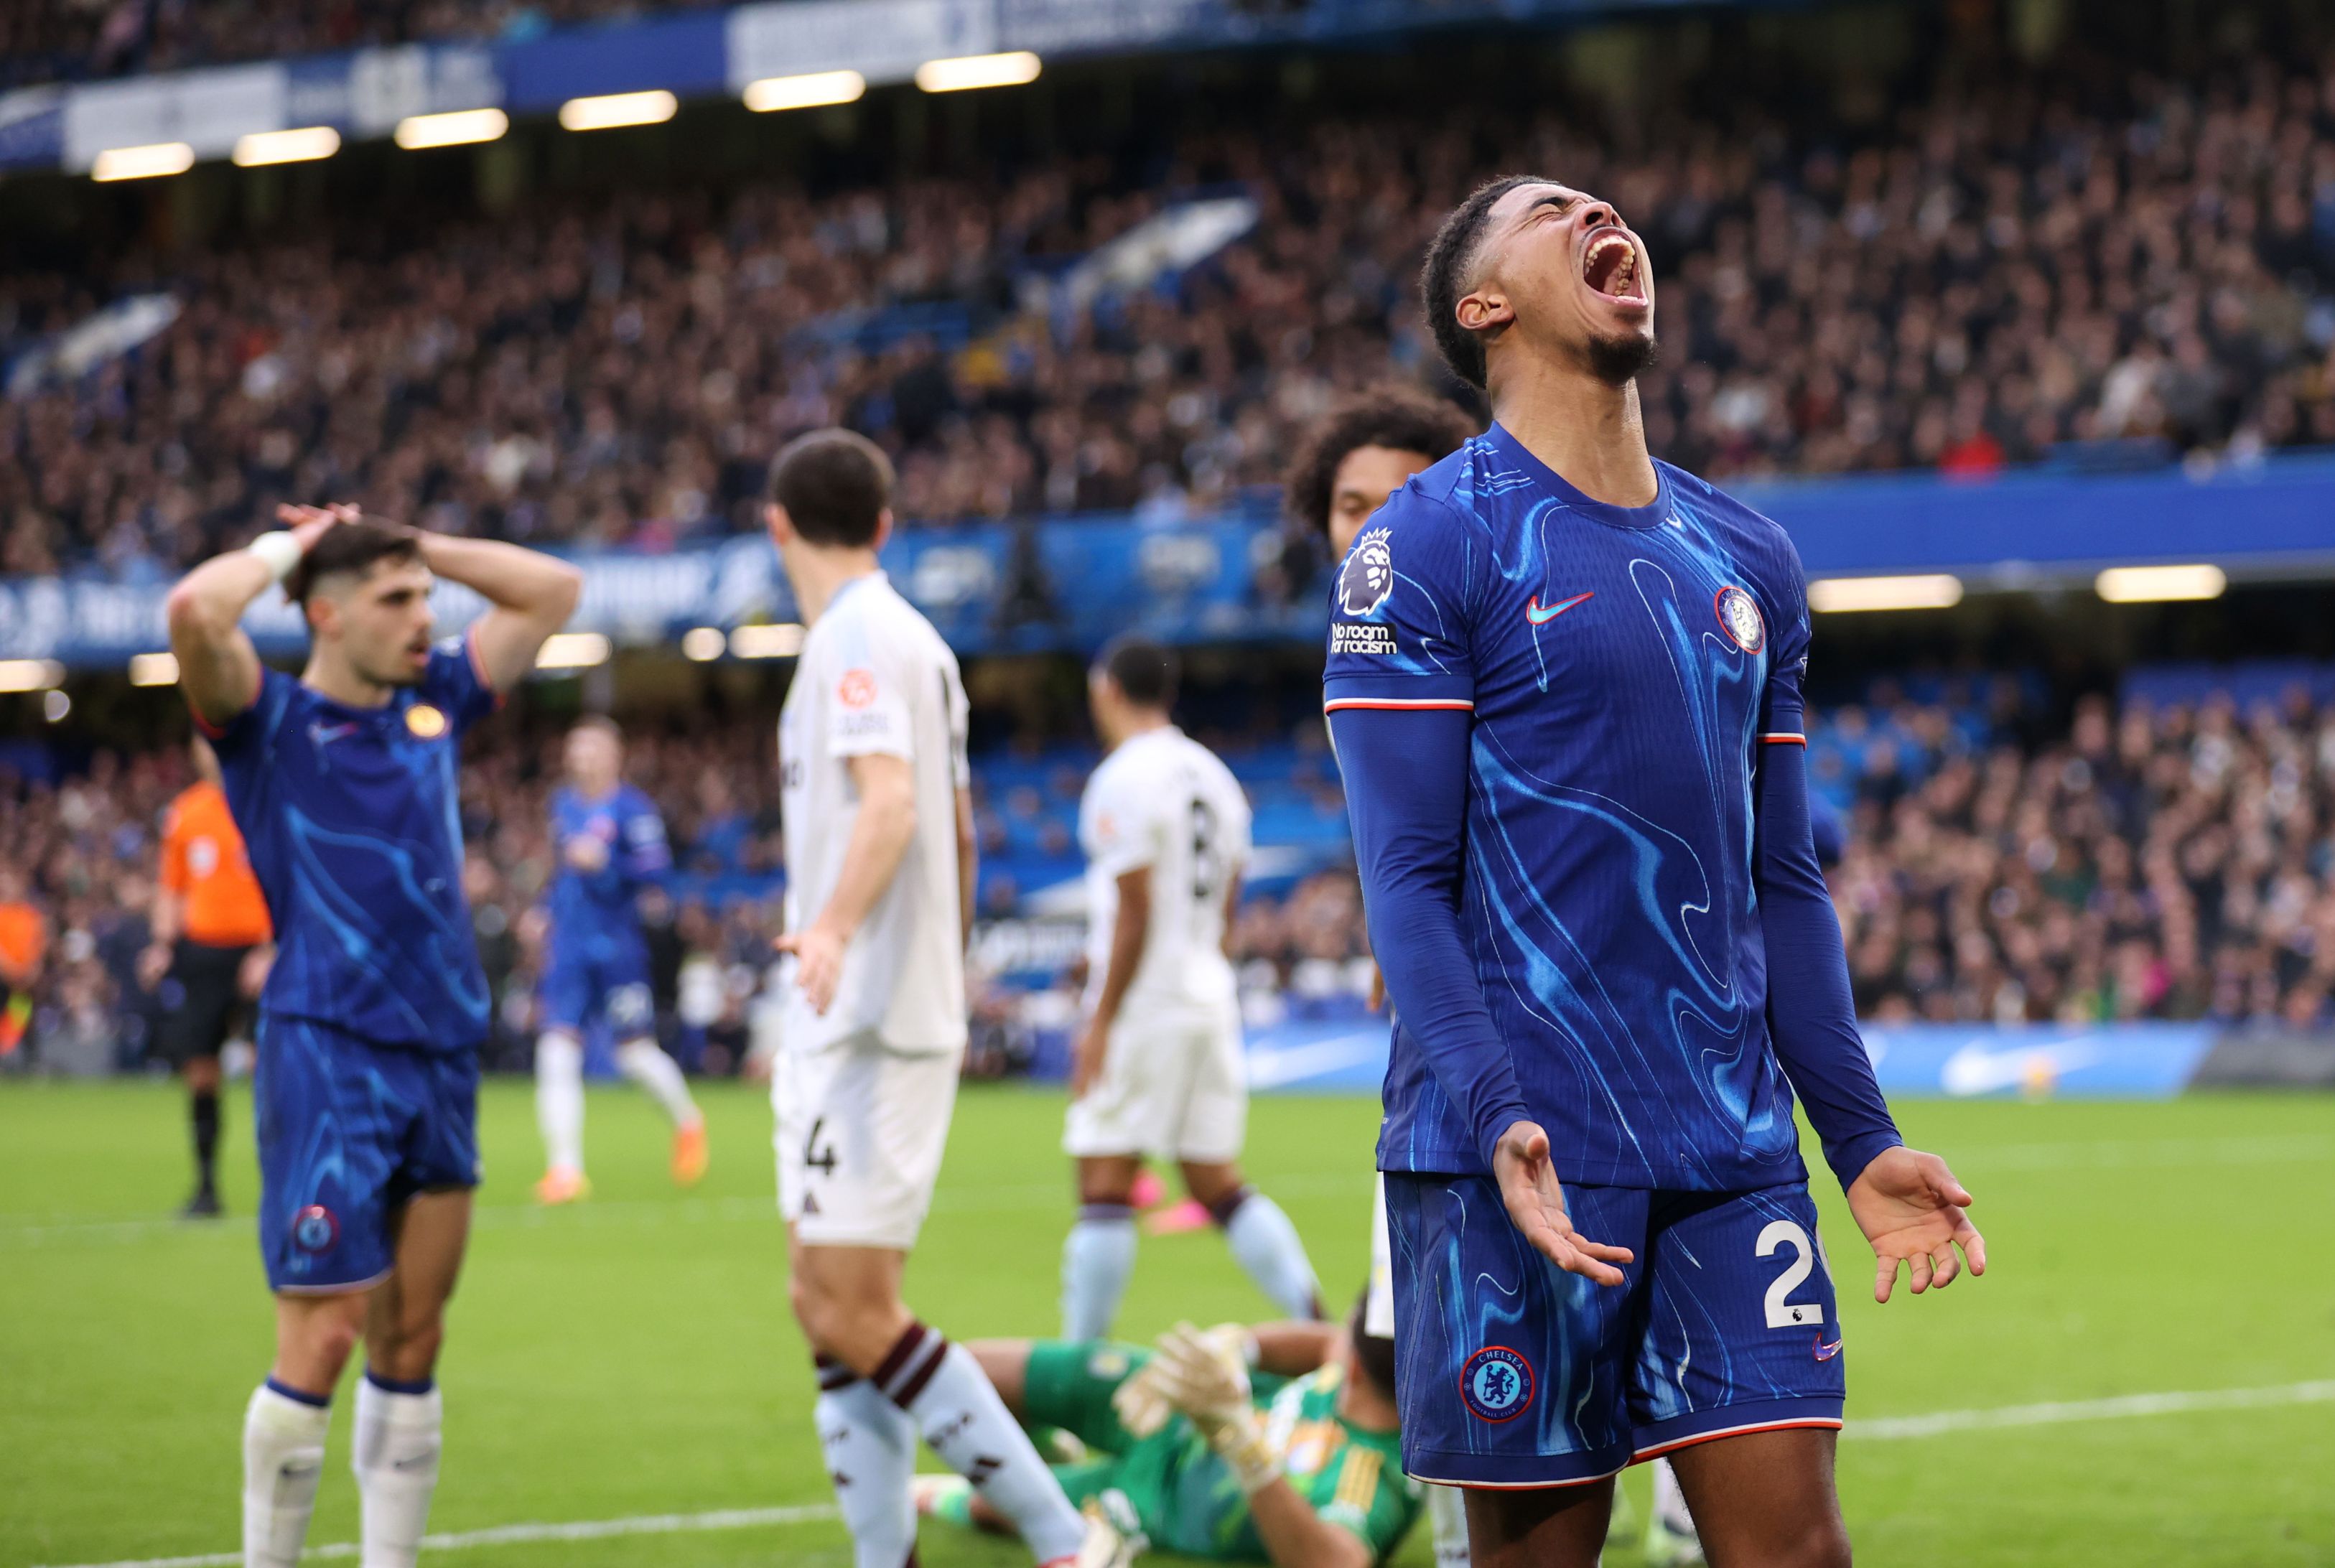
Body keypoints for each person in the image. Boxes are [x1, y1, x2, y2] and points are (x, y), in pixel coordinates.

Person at [1325, 177, 1986, 1566]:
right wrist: (1493, 1105)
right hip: (1516, 1156)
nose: (1599, 212)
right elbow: (1402, 877)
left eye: (1603, 203)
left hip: (1728, 1147)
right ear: (1483, 304)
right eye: (1552, 209)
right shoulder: (1425, 545)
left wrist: (1857, 1138)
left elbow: (1784, 881)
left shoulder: (1746, 553)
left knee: (1796, 1549)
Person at [167, 503, 580, 1568]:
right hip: (326, 1051)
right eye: (397, 600)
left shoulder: (436, 695)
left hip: (441, 1051)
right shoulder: (267, 723)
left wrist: (413, 545)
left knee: (415, 1337)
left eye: (426, 600)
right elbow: (194, 609)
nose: (424, 618)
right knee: (325, 1335)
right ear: (327, 614)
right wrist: (286, 549)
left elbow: (553, 591)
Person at [766, 429, 1127, 1568]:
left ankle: (1068, 1541)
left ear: (777, 526)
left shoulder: (857, 637)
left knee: (853, 1307)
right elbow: (957, 824)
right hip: (875, 1009)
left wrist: (831, 931)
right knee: (824, 1306)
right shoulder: (909, 639)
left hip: (864, 1016)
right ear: (884, 523)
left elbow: (894, 806)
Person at [1063, 636, 1323, 1340]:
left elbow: (1136, 909)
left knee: (1103, 1183)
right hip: (1208, 990)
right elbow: (1228, 899)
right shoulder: (1215, 775)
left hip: (1148, 1001)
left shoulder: (1120, 778)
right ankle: (1320, 1327)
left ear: (1107, 690)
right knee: (1215, 1181)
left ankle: (1080, 1367)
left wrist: (1100, 1020)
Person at [919, 1302, 1422, 1568]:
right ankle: (1046, 1447)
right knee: (961, 1374)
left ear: (1355, 1367)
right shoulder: (1373, 1370)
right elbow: (1326, 1340)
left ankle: (931, 1491)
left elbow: (1337, 1561)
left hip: (1157, 1500)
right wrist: (1237, 1346)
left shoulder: (1372, 1474)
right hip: (1170, 1403)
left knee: (995, 1502)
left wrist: (1236, 1438)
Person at [531, 716, 707, 1204]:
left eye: (590, 749)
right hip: (569, 947)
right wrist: (546, 911)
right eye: (574, 749)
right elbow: (562, 872)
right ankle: (565, 1170)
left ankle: (688, 1122)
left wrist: (606, 863)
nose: (580, 758)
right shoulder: (562, 805)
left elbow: (658, 876)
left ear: (614, 755)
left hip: (617, 949)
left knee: (634, 1055)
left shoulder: (635, 810)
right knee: (555, 1049)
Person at [141, 734, 275, 1218]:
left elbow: (292, 881)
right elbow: (171, 887)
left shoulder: (267, 800)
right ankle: (206, 1188)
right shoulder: (185, 813)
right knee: (201, 1072)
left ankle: (283, 1185)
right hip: (203, 954)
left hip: (260, 952)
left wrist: (270, 948)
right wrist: (162, 945)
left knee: (273, 1071)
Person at [0, 864, 45, 1060]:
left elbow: (38, 947)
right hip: (5, 981)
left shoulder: (30, 915)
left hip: (25, 984)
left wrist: (32, 971)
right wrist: (13, 972)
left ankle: (29, 1062)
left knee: (22, 1021)